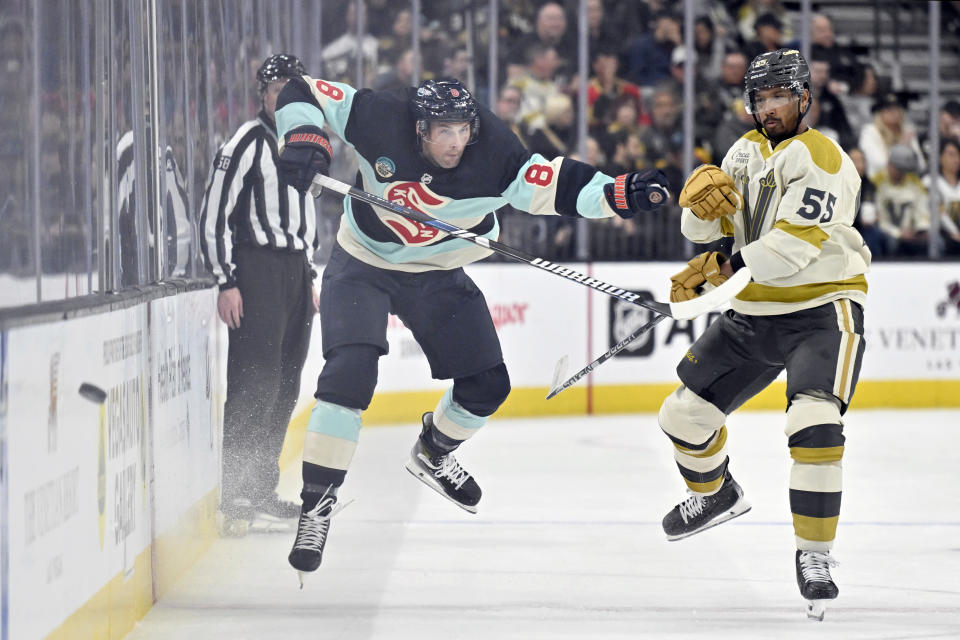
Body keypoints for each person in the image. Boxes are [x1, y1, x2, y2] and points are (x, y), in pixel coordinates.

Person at [271, 75, 668, 580]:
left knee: (487, 386)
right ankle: (317, 506)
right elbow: (300, 89)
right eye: (443, 131)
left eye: (462, 129)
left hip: (438, 274)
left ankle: (434, 452)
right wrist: (304, 136)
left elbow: (559, 184)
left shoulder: (495, 152)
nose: (456, 142)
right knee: (349, 375)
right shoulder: (378, 117)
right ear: (419, 128)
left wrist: (617, 194)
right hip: (363, 262)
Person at [659, 49, 870, 618]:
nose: (770, 107)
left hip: (821, 310)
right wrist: (699, 217)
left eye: (780, 96)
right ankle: (716, 495)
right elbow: (713, 225)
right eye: (761, 98)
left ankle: (815, 555)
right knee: (682, 418)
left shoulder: (824, 158)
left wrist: (720, 270)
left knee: (814, 422)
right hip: (754, 314)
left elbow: (793, 250)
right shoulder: (744, 150)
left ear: (805, 98)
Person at [198, 54, 320, 537]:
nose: (284, 95)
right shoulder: (247, 141)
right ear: (263, 95)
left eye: (294, 88)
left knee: (286, 384)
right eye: (277, 88)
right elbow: (213, 214)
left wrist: (308, 274)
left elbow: (306, 218)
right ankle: (237, 493)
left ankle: (261, 484)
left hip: (294, 273)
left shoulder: (308, 143)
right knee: (255, 382)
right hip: (256, 270)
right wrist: (226, 280)